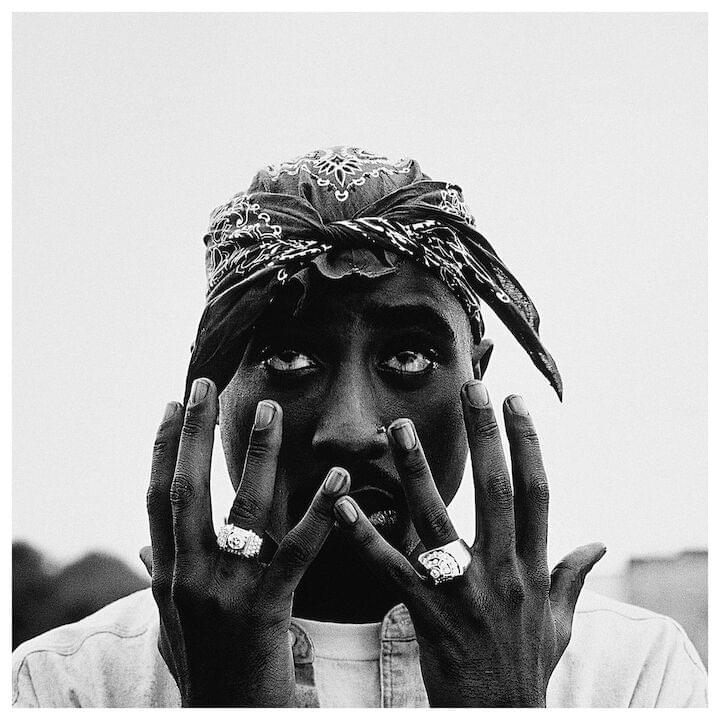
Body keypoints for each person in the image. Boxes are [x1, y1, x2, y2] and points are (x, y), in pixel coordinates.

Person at [12, 147, 707, 707]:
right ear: (214, 387)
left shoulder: (632, 675)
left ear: (476, 375)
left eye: (408, 356)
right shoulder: (67, 685)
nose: (349, 430)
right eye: (288, 358)